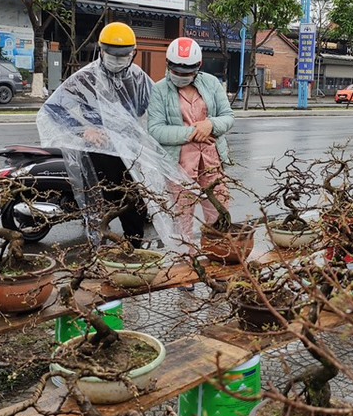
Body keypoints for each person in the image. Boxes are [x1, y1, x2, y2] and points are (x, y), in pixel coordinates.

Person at [37, 22, 188, 248]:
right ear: (101, 50)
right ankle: (97, 252)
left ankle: (134, 248)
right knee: (98, 203)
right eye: (112, 55)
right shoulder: (86, 77)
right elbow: (53, 108)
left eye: (123, 55)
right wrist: (84, 129)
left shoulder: (137, 77)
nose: (117, 60)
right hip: (97, 152)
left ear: (133, 53)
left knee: (133, 202)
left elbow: (155, 105)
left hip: (128, 152)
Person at [148, 37, 235, 250]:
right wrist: (194, 132)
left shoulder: (211, 83)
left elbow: (228, 116)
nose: (181, 76)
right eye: (176, 71)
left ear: (198, 67)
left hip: (212, 162)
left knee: (218, 212)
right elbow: (156, 129)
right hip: (179, 165)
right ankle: (187, 260)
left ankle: (217, 255)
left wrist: (211, 124)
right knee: (182, 217)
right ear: (168, 65)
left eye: (187, 72)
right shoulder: (159, 90)